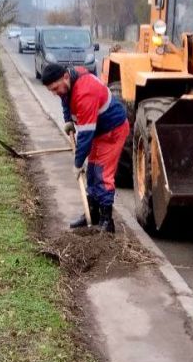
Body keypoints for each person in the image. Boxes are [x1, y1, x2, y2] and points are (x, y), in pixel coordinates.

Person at [41, 62, 129, 233]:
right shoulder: (68, 82)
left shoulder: (85, 92)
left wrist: (77, 162)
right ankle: (93, 213)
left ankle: (106, 222)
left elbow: (85, 135)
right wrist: (68, 120)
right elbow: (65, 99)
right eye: (51, 90)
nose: (54, 93)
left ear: (65, 77)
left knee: (102, 174)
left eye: (55, 88)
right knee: (92, 172)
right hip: (99, 130)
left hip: (112, 130)